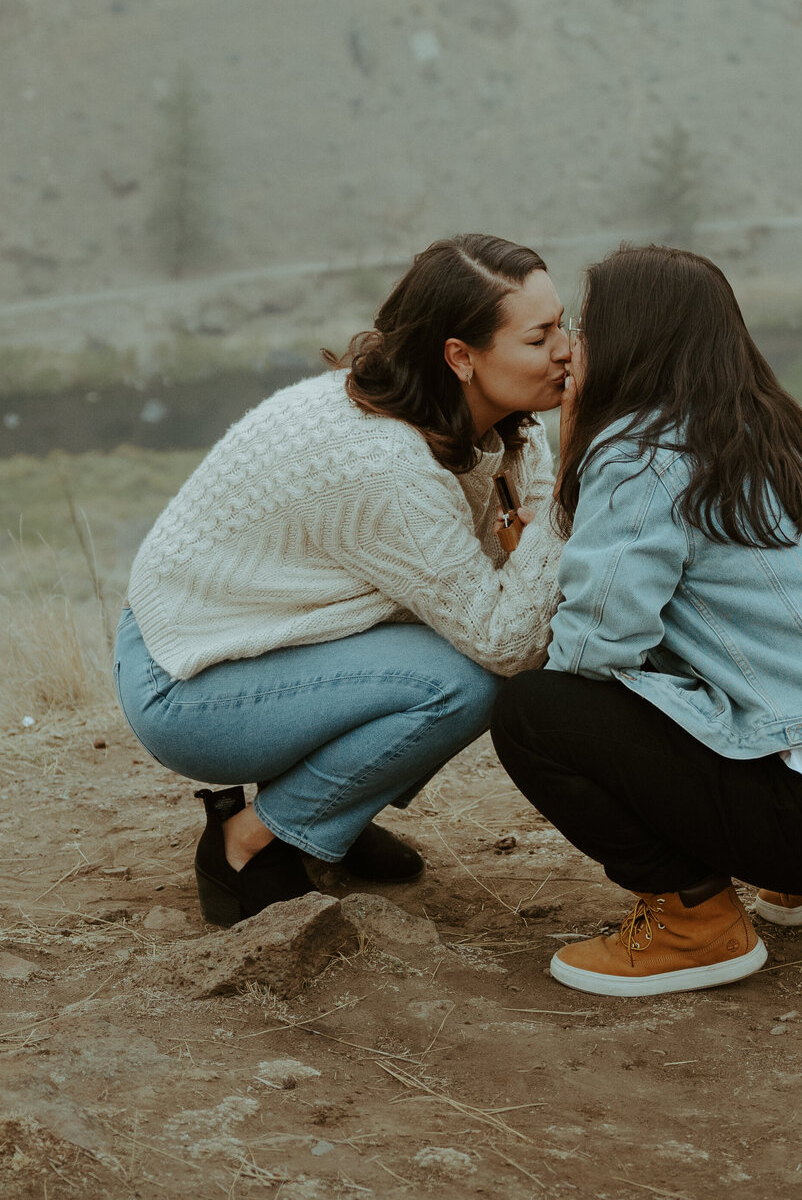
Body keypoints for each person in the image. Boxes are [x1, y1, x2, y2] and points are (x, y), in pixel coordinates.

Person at [491, 244, 802, 998]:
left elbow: (589, 650)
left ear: (635, 337)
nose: (572, 347)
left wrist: (573, 468)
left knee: (533, 715)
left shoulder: (639, 454)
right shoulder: (770, 428)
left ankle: (693, 923)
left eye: (585, 325)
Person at [115, 234, 572, 926]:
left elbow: (516, 561)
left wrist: (543, 521)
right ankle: (246, 842)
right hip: (186, 684)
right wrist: (572, 493)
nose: (567, 349)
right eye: (540, 337)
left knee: (463, 649)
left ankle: (331, 815)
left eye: (564, 323)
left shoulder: (500, 422)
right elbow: (507, 638)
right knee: (469, 678)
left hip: (262, 641)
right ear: (461, 357)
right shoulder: (385, 464)